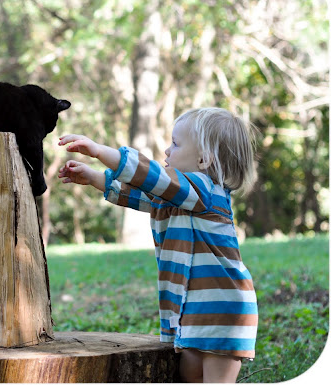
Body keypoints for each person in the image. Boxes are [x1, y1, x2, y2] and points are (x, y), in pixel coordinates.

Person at [58, 107, 258, 383]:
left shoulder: (204, 191)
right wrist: (94, 177)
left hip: (223, 308)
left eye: (176, 144)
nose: (167, 150)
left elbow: (153, 178)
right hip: (194, 312)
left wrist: (101, 151)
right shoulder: (180, 198)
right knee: (188, 374)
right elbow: (144, 195)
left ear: (203, 160)